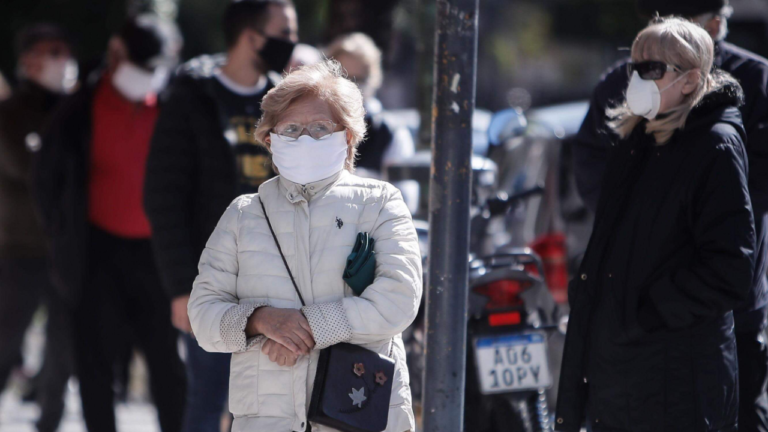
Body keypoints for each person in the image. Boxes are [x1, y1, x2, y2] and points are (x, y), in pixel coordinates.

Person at [187, 59, 422, 432]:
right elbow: (202, 316)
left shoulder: (379, 202)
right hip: (267, 419)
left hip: (358, 414)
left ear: (347, 137)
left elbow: (399, 299)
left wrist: (305, 327)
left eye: (319, 127)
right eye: (291, 129)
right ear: (270, 139)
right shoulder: (244, 214)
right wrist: (261, 319)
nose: (304, 138)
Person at [572, 1, 768, 429]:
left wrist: (649, 308)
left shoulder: (718, 140)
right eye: (635, 66)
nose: (637, 77)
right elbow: (590, 171)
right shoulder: (633, 136)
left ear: (691, 79)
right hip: (627, 364)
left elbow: (728, 263)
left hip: (684, 352)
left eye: (652, 69)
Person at [143, 1, 298, 430]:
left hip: (274, 281)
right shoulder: (192, 97)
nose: (291, 42)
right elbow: (163, 198)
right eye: (283, 31)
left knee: (265, 403)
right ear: (250, 36)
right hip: (209, 282)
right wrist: (180, 289)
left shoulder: (283, 101)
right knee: (208, 400)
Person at [33, 14, 186, 432]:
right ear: (117, 54)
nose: (148, 76)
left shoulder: (174, 106)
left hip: (159, 257)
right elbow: (47, 179)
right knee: (95, 367)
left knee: (167, 366)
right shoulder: (79, 108)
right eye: (142, 65)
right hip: (95, 253)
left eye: (155, 68)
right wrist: (61, 234)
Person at [0, 23, 77, 432]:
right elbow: (29, 168)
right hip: (20, 248)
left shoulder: (73, 110)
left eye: (65, 51)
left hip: (64, 250)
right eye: (53, 52)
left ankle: (49, 421)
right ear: (29, 61)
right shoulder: (10, 114)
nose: (62, 60)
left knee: (62, 348)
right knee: (6, 340)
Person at [325, 32, 415, 179]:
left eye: (359, 79)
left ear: (374, 80)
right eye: (343, 78)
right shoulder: (310, 125)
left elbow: (404, 196)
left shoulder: (390, 133)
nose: (351, 87)